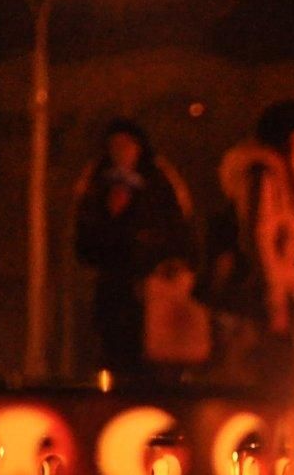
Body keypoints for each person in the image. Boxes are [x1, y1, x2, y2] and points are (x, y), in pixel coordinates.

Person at [72, 120, 201, 378]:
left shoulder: (160, 180)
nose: (121, 151)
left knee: (158, 366)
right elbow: (84, 242)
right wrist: (110, 218)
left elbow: (180, 230)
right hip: (114, 293)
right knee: (117, 361)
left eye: (127, 145)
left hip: (156, 292)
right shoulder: (96, 182)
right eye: (114, 145)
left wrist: (161, 260)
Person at [208, 99, 294, 392]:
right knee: (271, 376)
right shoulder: (266, 176)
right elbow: (261, 234)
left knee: (275, 373)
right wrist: (276, 300)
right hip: (264, 295)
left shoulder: (285, 178)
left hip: (277, 291)